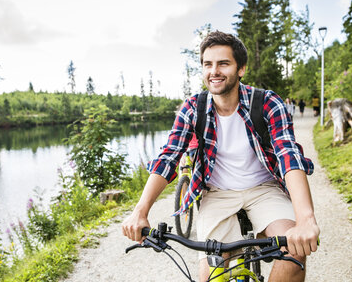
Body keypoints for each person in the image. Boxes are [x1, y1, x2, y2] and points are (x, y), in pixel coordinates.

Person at [122, 31, 319, 282]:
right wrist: (141, 210)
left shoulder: (268, 103)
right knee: (212, 275)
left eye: (223, 63)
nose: (214, 71)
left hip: (264, 189)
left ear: (241, 69)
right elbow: (169, 156)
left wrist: (306, 220)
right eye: (208, 64)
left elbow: (288, 156)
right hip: (217, 194)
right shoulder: (194, 107)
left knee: (293, 253)